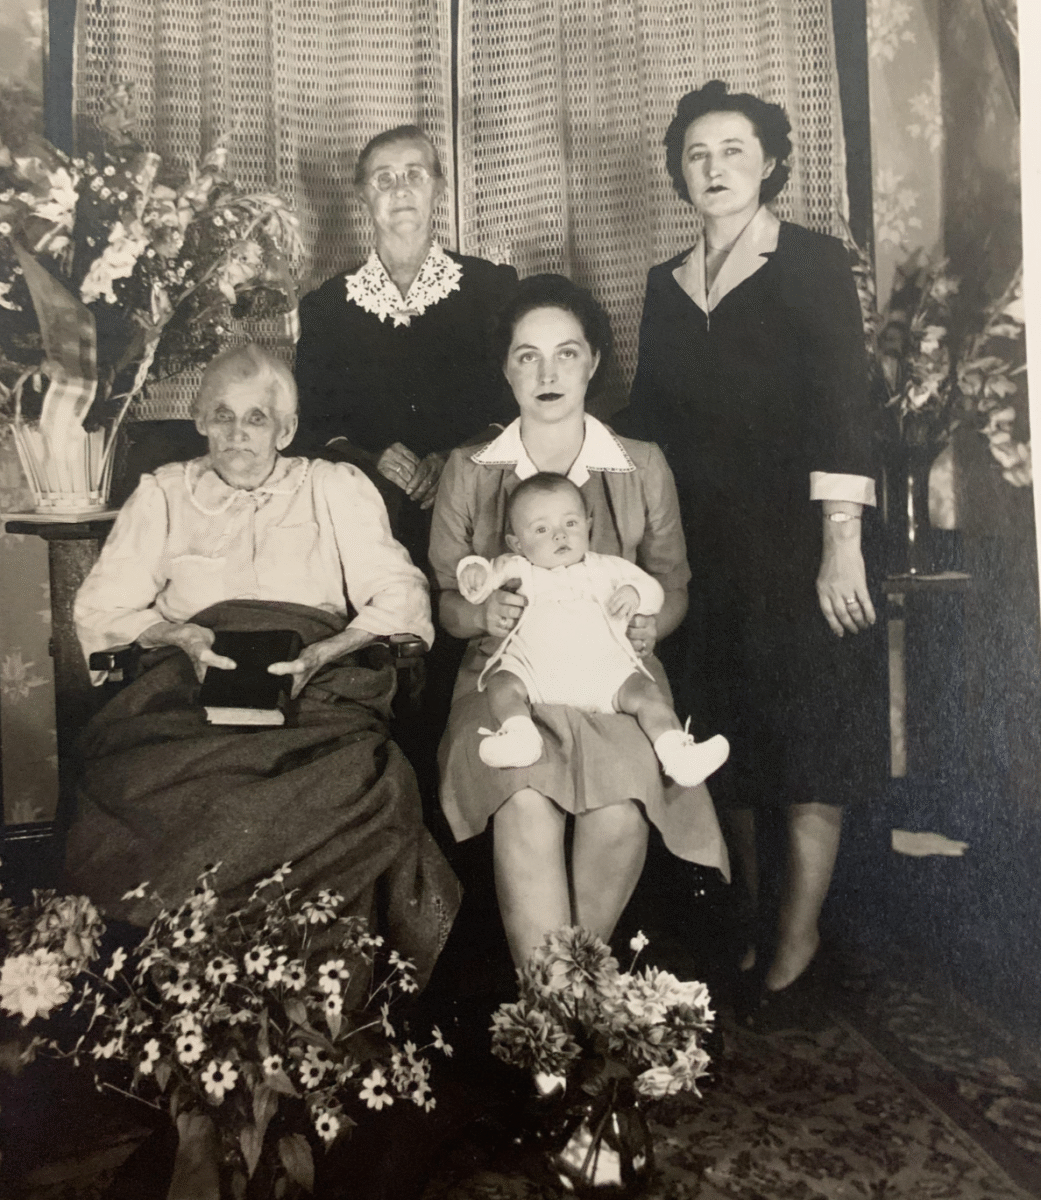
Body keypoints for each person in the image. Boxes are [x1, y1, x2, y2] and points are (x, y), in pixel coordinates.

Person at [68, 345, 460, 984]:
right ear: (198, 420)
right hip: (188, 695)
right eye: (221, 415)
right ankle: (183, 985)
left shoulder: (335, 487)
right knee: (138, 789)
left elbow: (401, 597)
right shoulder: (163, 493)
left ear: (286, 429)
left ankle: (310, 985)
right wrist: (177, 634)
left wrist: (327, 650)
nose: (236, 433)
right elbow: (101, 606)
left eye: (256, 418)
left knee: (355, 785)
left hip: (316, 690)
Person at [625, 80, 886, 1024]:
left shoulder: (811, 260)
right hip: (702, 546)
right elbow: (645, 421)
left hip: (804, 540)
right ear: (679, 174)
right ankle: (737, 915)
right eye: (697, 155)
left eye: (732, 150)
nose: (714, 168)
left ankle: (796, 936)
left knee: (806, 735)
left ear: (769, 161)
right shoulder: (665, 283)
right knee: (717, 730)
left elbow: (842, 408)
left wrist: (841, 546)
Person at [431, 274, 729, 970]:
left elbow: (672, 587)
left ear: (593, 362)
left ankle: (566, 1007)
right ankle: (555, 1022)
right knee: (525, 802)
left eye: (565, 353)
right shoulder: (468, 470)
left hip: (612, 677)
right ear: (505, 367)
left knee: (620, 807)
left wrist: (648, 627)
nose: (546, 372)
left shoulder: (642, 465)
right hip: (506, 678)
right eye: (526, 355)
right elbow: (447, 603)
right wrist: (479, 612)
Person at [292, 124, 518, 559]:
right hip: (367, 515)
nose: (400, 190)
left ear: (439, 187)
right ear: (363, 193)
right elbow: (315, 424)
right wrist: (370, 457)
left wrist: (456, 458)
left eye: (414, 174)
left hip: (479, 506)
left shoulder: (491, 288)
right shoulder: (326, 306)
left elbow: (514, 406)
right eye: (384, 178)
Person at [457, 471, 730, 786]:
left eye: (570, 524)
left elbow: (654, 592)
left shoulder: (609, 567)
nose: (559, 536)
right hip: (536, 674)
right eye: (542, 529)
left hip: (605, 675)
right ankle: (519, 735)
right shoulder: (518, 568)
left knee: (648, 693)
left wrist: (637, 594)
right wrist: (473, 571)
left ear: (588, 525)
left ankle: (677, 753)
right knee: (502, 683)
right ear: (517, 543)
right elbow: (481, 585)